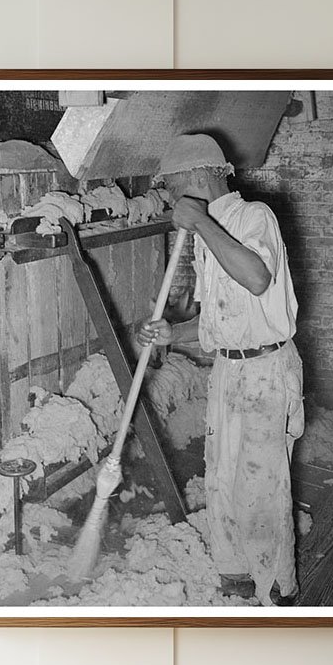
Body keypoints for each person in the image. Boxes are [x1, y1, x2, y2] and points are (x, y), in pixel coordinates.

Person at [137, 133, 304, 606]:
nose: (169, 196)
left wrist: (200, 224)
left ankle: (278, 588)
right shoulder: (208, 232)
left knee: (261, 486)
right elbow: (221, 320)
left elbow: (255, 279)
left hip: (266, 373)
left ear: (196, 176)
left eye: (170, 186)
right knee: (223, 477)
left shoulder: (253, 217)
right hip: (228, 372)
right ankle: (237, 571)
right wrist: (174, 334)